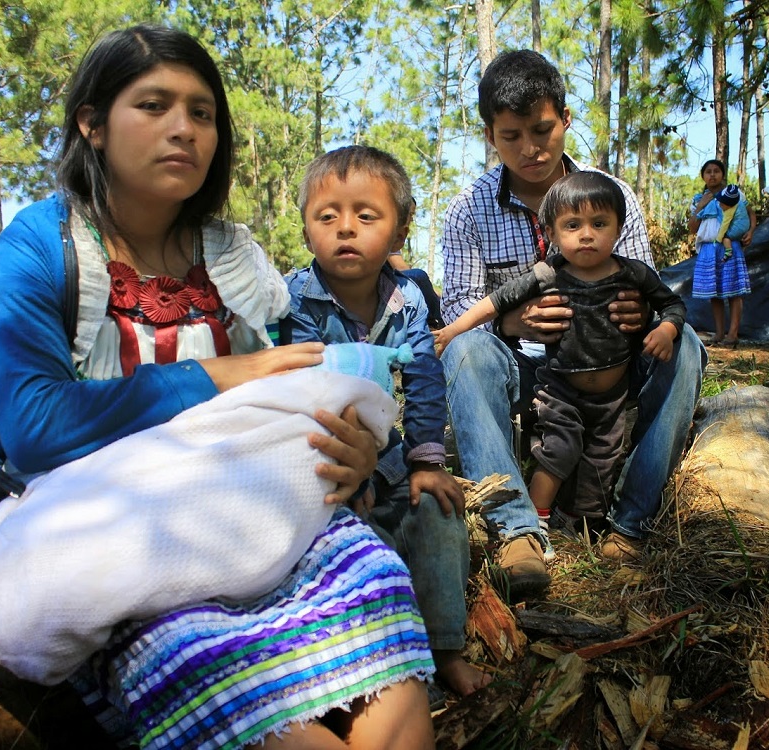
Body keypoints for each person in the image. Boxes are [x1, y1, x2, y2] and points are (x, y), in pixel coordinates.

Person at [0, 25, 434, 750]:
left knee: (374, 575)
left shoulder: (233, 259)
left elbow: (289, 399)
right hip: (117, 540)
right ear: (91, 123)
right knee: (204, 657)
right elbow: (34, 425)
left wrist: (353, 456)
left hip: (247, 509)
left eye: (202, 112)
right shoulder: (41, 245)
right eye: (152, 105)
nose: (183, 128)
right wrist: (215, 375)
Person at [440, 49, 706, 588]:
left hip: (609, 372)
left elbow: (647, 287)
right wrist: (513, 325)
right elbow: (456, 309)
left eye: (542, 130)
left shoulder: (613, 196)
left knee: (689, 345)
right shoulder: (468, 209)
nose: (530, 150)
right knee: (467, 351)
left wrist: (644, 315)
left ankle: (629, 522)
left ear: (565, 118)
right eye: (510, 136)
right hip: (527, 374)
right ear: (490, 135)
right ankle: (516, 531)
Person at [284, 145, 488, 698]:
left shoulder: (410, 300)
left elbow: (423, 380)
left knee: (441, 517)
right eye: (327, 216)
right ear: (306, 233)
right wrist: (347, 477)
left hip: (393, 458)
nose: (345, 228)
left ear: (398, 235)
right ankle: (382, 661)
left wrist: (425, 461)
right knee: (354, 544)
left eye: (366, 216)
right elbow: (305, 391)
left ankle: (445, 647)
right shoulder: (294, 301)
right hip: (321, 466)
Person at [436, 171, 686, 562]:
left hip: (613, 396)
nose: (586, 234)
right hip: (561, 389)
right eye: (573, 226)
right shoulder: (548, 273)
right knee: (559, 450)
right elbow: (494, 303)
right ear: (551, 232)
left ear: (618, 229)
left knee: (602, 461)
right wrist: (452, 331)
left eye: (599, 224)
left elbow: (673, 304)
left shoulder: (633, 274)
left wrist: (666, 329)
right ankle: (529, 523)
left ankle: (581, 522)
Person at [688, 159, 756, 347]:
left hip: (730, 246)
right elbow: (692, 228)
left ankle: (732, 334)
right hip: (708, 249)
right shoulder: (698, 199)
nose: (712, 175)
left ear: (723, 174)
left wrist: (750, 232)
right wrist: (701, 205)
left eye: (716, 171)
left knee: (734, 291)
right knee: (714, 292)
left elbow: (751, 213)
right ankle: (719, 333)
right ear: (703, 176)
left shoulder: (734, 193)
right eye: (708, 171)